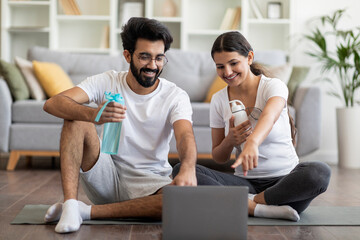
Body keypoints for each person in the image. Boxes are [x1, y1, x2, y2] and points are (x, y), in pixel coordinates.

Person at [42, 17, 197, 233]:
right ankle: (70, 204)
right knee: (76, 118)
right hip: (106, 174)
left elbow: (184, 136)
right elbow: (52, 104)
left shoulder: (175, 95)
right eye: (144, 57)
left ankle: (83, 211)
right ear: (127, 55)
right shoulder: (107, 81)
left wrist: (188, 167)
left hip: (151, 182)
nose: (153, 65)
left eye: (159, 58)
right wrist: (94, 114)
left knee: (178, 202)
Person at [173, 31, 331, 221]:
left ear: (249, 57)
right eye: (220, 67)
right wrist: (230, 140)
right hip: (244, 184)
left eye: (233, 63)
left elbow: (269, 115)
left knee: (319, 172)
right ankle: (259, 209)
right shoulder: (218, 99)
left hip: (285, 185)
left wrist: (253, 142)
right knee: (182, 169)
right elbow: (219, 157)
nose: (227, 72)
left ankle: (250, 203)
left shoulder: (273, 86)